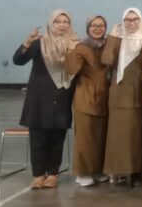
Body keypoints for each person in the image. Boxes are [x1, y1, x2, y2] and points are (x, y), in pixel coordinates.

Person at [14, 10, 79, 189]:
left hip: (62, 97)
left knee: (57, 139)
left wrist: (73, 51)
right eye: (58, 21)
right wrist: (27, 41)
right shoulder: (39, 43)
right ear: (51, 24)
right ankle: (38, 174)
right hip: (39, 99)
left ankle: (53, 174)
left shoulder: (75, 44)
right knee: (38, 138)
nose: (62, 24)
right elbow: (18, 60)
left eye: (66, 21)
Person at [101, 7, 142, 187]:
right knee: (118, 136)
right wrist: (113, 37)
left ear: (141, 21)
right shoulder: (118, 41)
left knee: (137, 136)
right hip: (119, 96)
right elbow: (106, 60)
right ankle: (119, 170)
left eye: (135, 19)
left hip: (138, 96)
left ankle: (136, 171)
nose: (131, 23)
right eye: (128, 20)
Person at [65, 15, 110, 187]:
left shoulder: (106, 46)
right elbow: (71, 69)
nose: (98, 28)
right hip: (86, 98)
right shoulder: (81, 47)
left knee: (100, 138)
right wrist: (70, 50)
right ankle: (82, 172)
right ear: (88, 28)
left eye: (101, 26)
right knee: (85, 138)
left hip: (104, 99)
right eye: (94, 26)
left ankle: (97, 170)